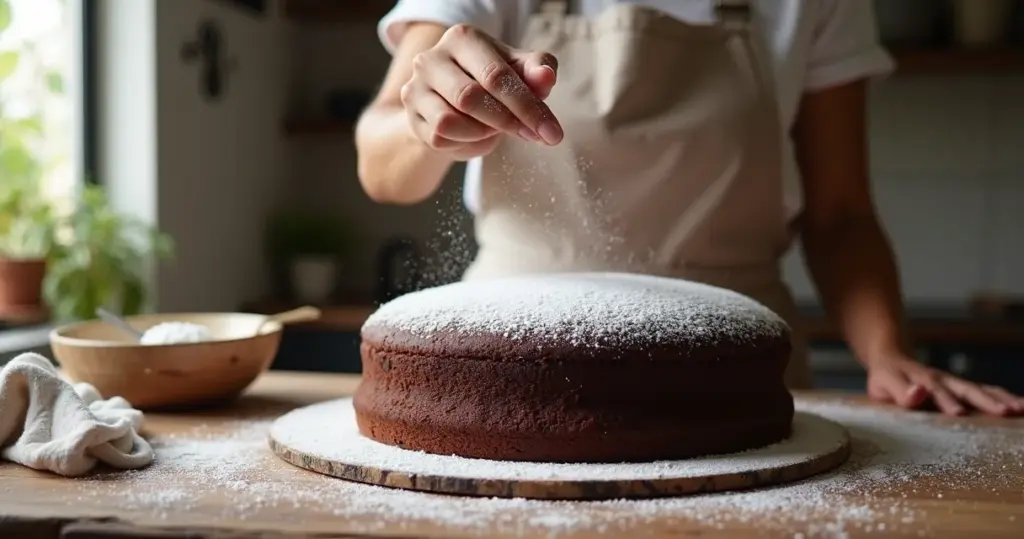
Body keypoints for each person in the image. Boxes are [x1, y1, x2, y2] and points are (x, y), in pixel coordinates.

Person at [355, 0, 1024, 416]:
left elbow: (841, 214)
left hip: (736, 378)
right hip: (512, 371)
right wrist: (424, 120)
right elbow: (381, 168)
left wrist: (888, 351)